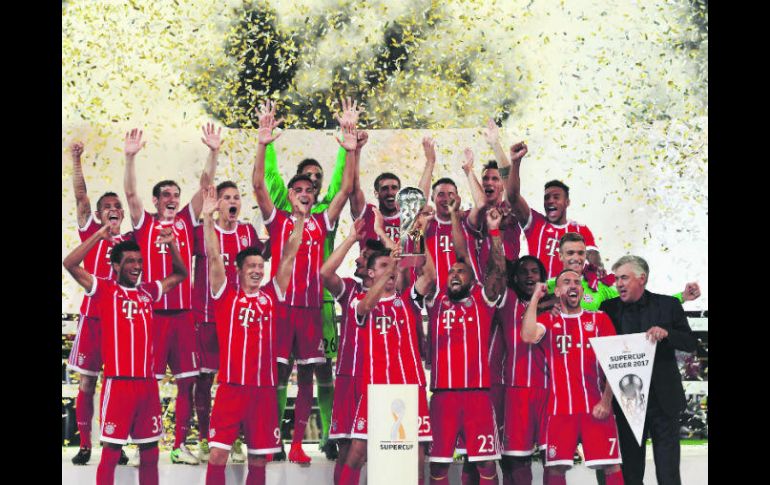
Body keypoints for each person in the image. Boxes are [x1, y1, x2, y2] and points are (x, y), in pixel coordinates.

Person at [251, 99, 354, 464]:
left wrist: (349, 148)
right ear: (290, 195)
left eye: (309, 190)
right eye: (298, 190)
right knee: (277, 374)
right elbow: (259, 184)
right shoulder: (277, 220)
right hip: (281, 309)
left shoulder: (323, 221)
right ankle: (272, 439)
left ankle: (298, 443)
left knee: (310, 375)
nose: (305, 194)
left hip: (311, 309)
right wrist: (263, 143)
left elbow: (344, 189)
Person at [123, 124, 221, 464]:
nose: (172, 199)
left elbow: (206, 186)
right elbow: (130, 194)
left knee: (187, 384)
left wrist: (213, 152)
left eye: (175, 195)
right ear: (156, 200)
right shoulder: (145, 224)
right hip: (152, 317)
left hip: (183, 317)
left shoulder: (185, 221)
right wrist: (130, 158)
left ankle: (179, 445)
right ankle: (144, 444)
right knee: (147, 384)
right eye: (166, 195)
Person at [63, 225, 188, 485]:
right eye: (130, 261)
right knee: (111, 453)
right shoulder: (103, 289)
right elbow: (70, 263)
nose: (137, 266)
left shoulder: (148, 291)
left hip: (147, 386)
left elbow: (181, 274)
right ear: (116, 266)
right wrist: (98, 236)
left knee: (150, 454)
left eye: (139, 261)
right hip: (118, 385)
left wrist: (172, 245)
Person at [201, 185, 304, 485]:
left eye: (261, 266)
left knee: (259, 460)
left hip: (263, 391)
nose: (258, 270)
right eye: (252, 266)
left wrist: (299, 218)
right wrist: (207, 218)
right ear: (239, 270)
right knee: (217, 455)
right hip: (231, 389)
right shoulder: (225, 296)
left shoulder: (272, 295)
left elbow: (289, 255)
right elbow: (213, 257)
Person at [338, 239, 436, 485]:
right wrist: (393, 266)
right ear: (371, 273)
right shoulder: (358, 301)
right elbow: (367, 305)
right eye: (383, 266)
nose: (390, 270)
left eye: (391, 266)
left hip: (409, 389)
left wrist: (422, 237)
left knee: (416, 458)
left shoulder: (407, 300)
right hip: (375, 389)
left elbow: (430, 277)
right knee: (357, 453)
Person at [425, 207, 508, 484]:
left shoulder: (482, 300)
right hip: (442, 397)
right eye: (451, 271)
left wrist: (494, 231)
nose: (454, 274)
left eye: (461, 272)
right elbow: (422, 266)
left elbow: (498, 271)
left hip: (477, 397)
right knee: (438, 466)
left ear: (473, 280)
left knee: (486, 462)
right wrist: (417, 228)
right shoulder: (436, 301)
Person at [598, 255, 699, 485]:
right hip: (627, 402)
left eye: (624, 278)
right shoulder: (608, 309)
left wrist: (667, 334)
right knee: (630, 473)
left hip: (663, 401)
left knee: (668, 473)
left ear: (641, 278)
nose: (618, 284)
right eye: (616, 279)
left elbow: (690, 343)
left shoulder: (668, 305)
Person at [522, 272, 624, 485]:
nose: (573, 285)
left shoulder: (599, 319)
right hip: (560, 411)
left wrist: (606, 401)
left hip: (595, 408)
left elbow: (614, 364)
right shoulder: (548, 320)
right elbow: (528, 335)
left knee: (611, 465)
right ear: (558, 290)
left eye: (577, 282)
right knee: (556, 468)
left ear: (582, 290)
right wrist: (535, 298)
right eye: (566, 282)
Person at [67, 141, 132, 466]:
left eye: (117, 206)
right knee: (87, 382)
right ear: (99, 213)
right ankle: (85, 445)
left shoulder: (131, 243)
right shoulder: (91, 232)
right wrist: (76, 159)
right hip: (92, 320)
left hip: (119, 325)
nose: (113, 209)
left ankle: (114, 443)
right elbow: (81, 197)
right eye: (107, 206)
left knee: (116, 385)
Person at [192, 179, 263, 463]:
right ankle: (204, 438)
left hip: (239, 321)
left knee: (237, 381)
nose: (233, 201)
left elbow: (259, 264)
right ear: (218, 203)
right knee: (204, 380)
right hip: (208, 317)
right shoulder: (202, 231)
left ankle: (233, 438)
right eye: (227, 197)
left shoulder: (248, 233)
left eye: (236, 197)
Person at [320, 216, 391, 484]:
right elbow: (325, 273)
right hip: (349, 378)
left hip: (381, 381)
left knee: (382, 450)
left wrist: (387, 234)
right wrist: (350, 238)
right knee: (347, 449)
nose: (359, 260)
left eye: (366, 257)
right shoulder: (349, 290)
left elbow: (417, 264)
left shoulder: (396, 295)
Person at [505, 142, 603, 279]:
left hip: (567, 291)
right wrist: (515, 162)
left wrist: (598, 267)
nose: (550, 201)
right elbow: (513, 197)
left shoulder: (580, 230)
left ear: (567, 202)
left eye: (556, 197)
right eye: (547, 198)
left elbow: (593, 255)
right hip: (538, 291)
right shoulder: (535, 223)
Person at [544, 233, 700, 311]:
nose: (576, 258)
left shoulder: (598, 287)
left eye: (580, 253)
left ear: (585, 255)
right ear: (560, 256)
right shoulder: (549, 286)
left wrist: (682, 296)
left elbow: (642, 303)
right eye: (570, 253)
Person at [497, 256, 549, 485]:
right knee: (517, 460)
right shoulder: (508, 300)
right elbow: (496, 274)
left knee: (553, 459)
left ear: (542, 277)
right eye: (523, 271)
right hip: (516, 391)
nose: (529, 275)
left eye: (534, 271)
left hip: (549, 391)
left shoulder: (555, 305)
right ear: (515, 278)